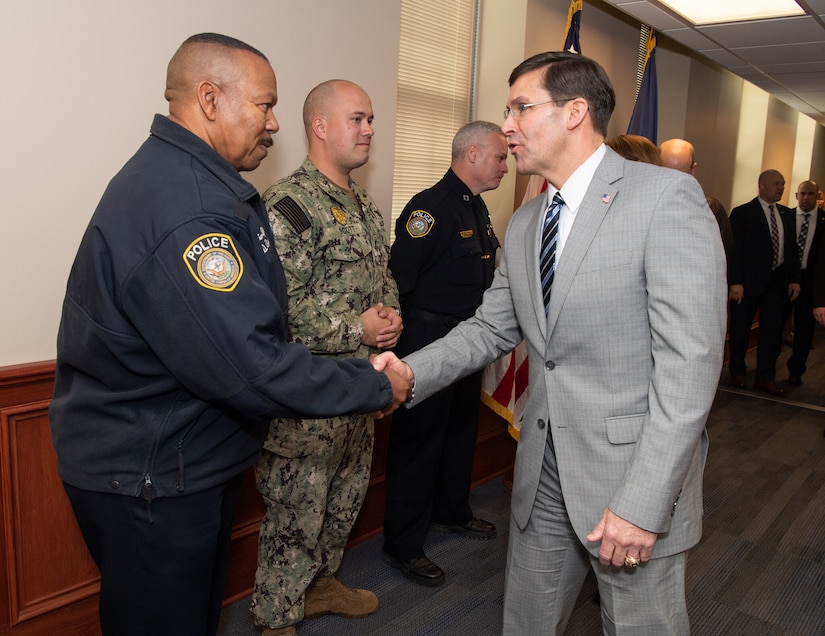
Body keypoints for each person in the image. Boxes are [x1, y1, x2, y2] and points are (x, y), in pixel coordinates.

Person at [48, 35, 409, 636]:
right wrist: (373, 385)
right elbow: (250, 362)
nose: (273, 123)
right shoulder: (189, 207)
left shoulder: (204, 186)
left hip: (179, 459)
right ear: (210, 99)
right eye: (265, 105)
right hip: (151, 475)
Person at [375, 51, 727, 634]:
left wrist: (642, 502)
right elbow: (491, 327)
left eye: (520, 107)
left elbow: (689, 369)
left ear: (574, 112)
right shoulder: (528, 219)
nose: (506, 124)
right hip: (542, 472)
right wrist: (409, 373)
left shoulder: (664, 199)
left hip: (630, 476)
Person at [251, 79, 402, 636]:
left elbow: (382, 279)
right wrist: (352, 327)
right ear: (320, 126)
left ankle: (319, 586)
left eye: (370, 120)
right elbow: (275, 308)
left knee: (343, 498)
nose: (368, 130)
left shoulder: (362, 202)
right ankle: (274, 616)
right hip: (306, 393)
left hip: (359, 385)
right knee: (296, 508)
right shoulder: (287, 205)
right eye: (357, 119)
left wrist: (389, 320)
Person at [382, 121, 507, 586]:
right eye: (499, 157)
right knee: (420, 443)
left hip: (469, 339)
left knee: (459, 432)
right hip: (430, 340)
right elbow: (399, 281)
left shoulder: (475, 207)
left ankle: (452, 510)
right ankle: (404, 545)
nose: (505, 166)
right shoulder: (429, 209)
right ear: (472, 154)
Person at [728, 169, 800, 395]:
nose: (781, 187)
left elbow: (792, 251)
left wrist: (794, 279)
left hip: (776, 284)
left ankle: (765, 377)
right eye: (776, 183)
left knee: (771, 332)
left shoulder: (787, 215)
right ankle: (737, 371)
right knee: (741, 329)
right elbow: (734, 251)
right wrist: (736, 282)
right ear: (762, 185)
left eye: (783, 184)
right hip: (748, 284)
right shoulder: (742, 213)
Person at [659, 138, 734, 270]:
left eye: (680, 174)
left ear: (693, 170)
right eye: (667, 173)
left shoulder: (711, 208)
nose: (673, 181)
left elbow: (723, 256)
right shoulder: (644, 206)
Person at [786, 180, 825, 385]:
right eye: (802, 194)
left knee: (803, 330)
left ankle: (796, 371)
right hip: (785, 280)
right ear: (796, 196)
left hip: (811, 281)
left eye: (810, 194)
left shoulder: (823, 221)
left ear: (817, 196)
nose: (806, 198)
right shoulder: (787, 217)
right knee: (775, 326)